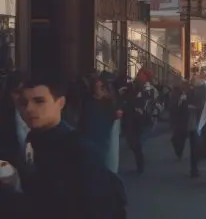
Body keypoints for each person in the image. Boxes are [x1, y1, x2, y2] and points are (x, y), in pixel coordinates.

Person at [8, 73, 127, 219]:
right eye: (23, 103)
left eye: (39, 101)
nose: (29, 108)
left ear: (60, 103)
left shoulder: (78, 150)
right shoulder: (33, 140)